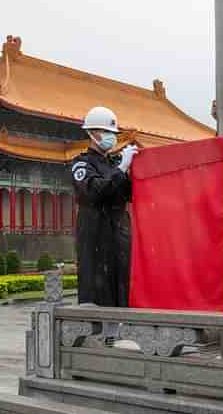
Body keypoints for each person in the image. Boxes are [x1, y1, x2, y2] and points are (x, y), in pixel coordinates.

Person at [71, 106, 138, 308]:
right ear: (92, 133)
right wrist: (121, 169)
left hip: (118, 233)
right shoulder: (82, 164)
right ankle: (103, 336)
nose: (111, 137)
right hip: (96, 234)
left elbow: (128, 195)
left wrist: (128, 172)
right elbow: (92, 192)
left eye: (113, 133)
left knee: (122, 286)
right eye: (106, 132)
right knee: (99, 290)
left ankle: (118, 332)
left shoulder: (113, 164)